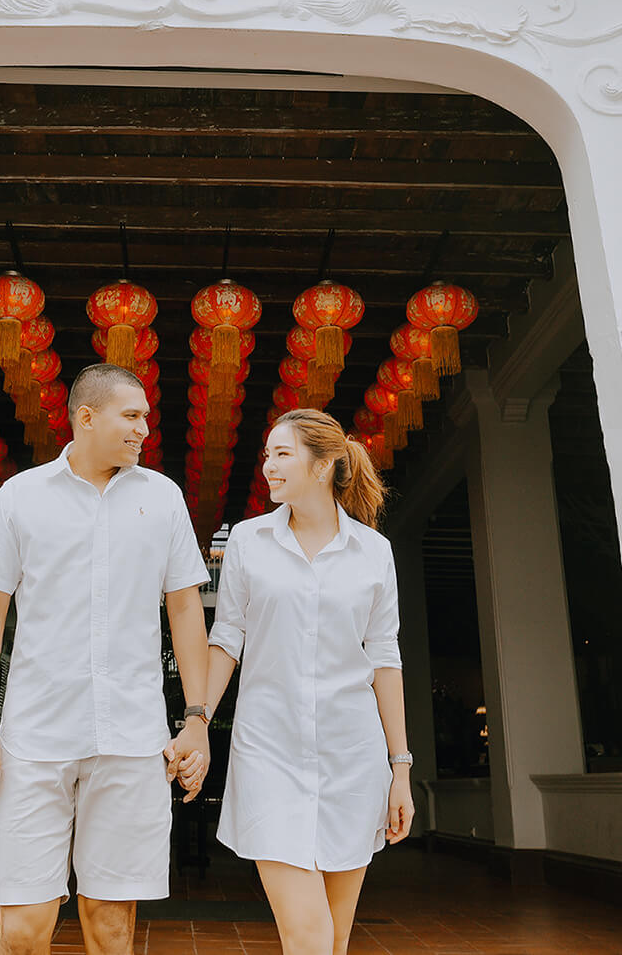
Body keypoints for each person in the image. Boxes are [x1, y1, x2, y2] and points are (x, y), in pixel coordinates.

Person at [0, 362, 214, 955]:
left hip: (131, 738)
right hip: (34, 736)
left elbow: (185, 611)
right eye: (131, 417)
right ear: (86, 417)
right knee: (23, 930)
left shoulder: (164, 498)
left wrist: (197, 720)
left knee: (111, 925)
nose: (143, 431)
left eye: (146, 419)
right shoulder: (20, 496)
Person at [182, 408, 413, 955]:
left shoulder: (373, 552)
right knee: (309, 937)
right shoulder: (249, 541)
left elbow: (385, 659)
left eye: (281, 454)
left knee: (334, 941)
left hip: (354, 759)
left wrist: (399, 769)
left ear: (325, 464)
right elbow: (227, 638)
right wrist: (198, 721)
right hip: (270, 753)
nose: (268, 467)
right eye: (267, 455)